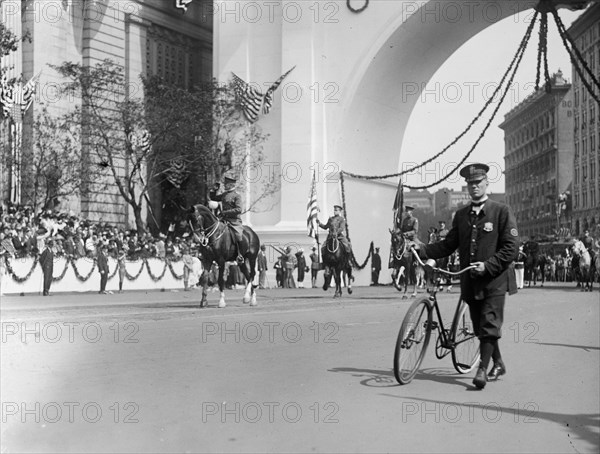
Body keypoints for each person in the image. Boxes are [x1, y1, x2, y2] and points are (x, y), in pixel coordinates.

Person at [413, 163, 519, 390]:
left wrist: (488, 265)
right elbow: (448, 245)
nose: (474, 187)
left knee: (489, 322)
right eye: (470, 184)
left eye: (478, 183)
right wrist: (422, 249)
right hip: (470, 281)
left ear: (486, 183)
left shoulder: (501, 211)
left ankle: (482, 368)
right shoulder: (461, 216)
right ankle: (498, 362)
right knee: (481, 326)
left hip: (495, 279)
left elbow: (511, 248)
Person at [209, 170, 246, 262]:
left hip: (234, 221)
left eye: (226, 184)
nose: (224, 185)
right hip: (223, 219)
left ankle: (240, 255)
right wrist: (214, 190)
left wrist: (225, 212)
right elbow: (214, 198)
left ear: (231, 185)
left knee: (238, 235)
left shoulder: (237, 196)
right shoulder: (224, 195)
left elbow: (239, 209)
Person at [317, 205, 354, 272]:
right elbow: (325, 227)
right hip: (330, 236)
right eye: (334, 210)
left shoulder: (341, 219)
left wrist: (336, 233)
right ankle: (324, 263)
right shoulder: (330, 219)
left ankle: (348, 261)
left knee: (348, 245)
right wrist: (319, 223)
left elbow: (342, 228)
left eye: (336, 210)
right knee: (323, 247)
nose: (335, 211)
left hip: (339, 236)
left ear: (339, 211)